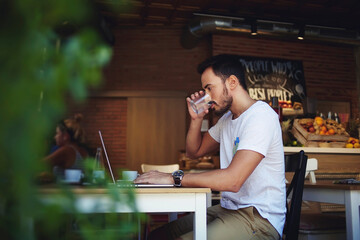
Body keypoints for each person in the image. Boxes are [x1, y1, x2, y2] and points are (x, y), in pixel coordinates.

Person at [135, 54, 286, 240]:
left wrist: (174, 178)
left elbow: (233, 180)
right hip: (227, 209)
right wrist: (196, 119)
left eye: (209, 88)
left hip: (258, 220)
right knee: (159, 235)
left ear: (232, 82)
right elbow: (194, 152)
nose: (206, 96)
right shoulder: (227, 120)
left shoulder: (261, 116)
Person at [44, 113, 88, 178]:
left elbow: (40, 165)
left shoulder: (67, 150)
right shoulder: (83, 151)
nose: (55, 137)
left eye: (57, 133)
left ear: (65, 136)